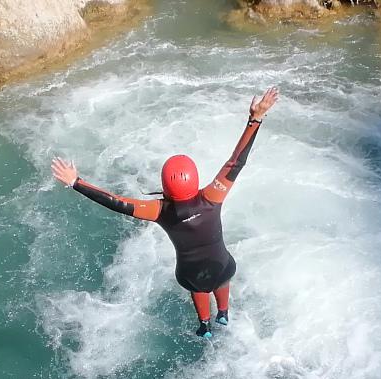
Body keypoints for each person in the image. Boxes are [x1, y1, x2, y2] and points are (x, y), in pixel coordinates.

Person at [50, 87, 279, 338]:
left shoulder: (158, 210)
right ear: (195, 180)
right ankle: (223, 313)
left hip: (190, 274)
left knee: (199, 288)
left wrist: (76, 182)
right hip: (222, 266)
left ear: (165, 187)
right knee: (221, 279)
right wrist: (255, 118)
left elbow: (116, 202)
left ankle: (205, 327)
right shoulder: (214, 195)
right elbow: (237, 161)